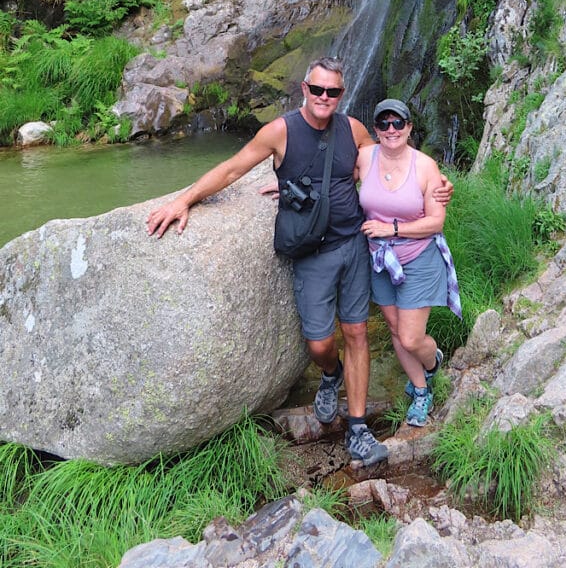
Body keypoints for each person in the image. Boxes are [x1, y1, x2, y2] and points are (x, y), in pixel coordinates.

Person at [146, 57, 453, 467]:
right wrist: (184, 199)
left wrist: (436, 183)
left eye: (334, 92)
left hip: (355, 246)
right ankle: (331, 374)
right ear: (304, 89)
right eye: (318, 89)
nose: (325, 97)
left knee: (357, 331)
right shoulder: (280, 131)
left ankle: (358, 429)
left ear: (341, 95)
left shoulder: (353, 129)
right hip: (312, 251)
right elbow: (234, 168)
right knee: (319, 343)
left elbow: (390, 157)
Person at [358, 98, 461, 428]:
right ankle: (421, 390)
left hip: (418, 259)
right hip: (380, 262)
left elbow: (435, 222)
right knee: (395, 331)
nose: (391, 130)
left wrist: (392, 229)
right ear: (376, 129)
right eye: (384, 124)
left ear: (409, 127)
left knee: (412, 338)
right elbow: (327, 177)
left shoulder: (425, 167)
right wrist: (286, 183)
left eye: (397, 123)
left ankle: (432, 364)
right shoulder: (364, 158)